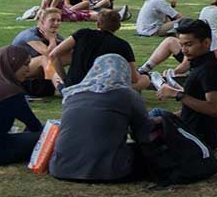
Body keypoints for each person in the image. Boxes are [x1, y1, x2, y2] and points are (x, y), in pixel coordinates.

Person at [48, 54, 153, 183]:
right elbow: (144, 133)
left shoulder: (72, 95)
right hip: (109, 172)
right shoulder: (127, 95)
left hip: (61, 169)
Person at [150, 18, 217, 150]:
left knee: (149, 123)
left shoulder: (209, 70)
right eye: (181, 44)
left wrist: (176, 94)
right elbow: (192, 110)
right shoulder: (199, 63)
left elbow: (213, 109)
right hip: (190, 127)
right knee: (155, 116)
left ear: (206, 43)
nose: (183, 50)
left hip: (197, 137)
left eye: (188, 45)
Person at [50, 10, 150, 91]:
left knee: (53, 74)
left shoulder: (82, 34)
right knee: (145, 79)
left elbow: (54, 55)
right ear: (118, 27)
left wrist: (65, 79)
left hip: (73, 88)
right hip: (102, 90)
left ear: (98, 24)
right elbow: (134, 78)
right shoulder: (122, 45)